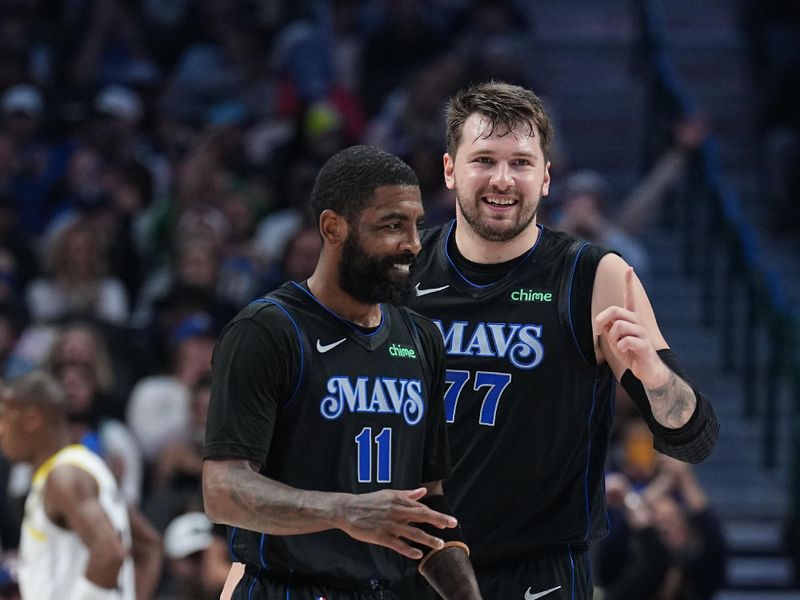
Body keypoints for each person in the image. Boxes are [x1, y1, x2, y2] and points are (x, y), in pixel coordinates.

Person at [400, 81, 720, 599]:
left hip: (537, 575)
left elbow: (696, 435)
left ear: (546, 177)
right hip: (410, 566)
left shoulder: (596, 277)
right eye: (484, 159)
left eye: (521, 163)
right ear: (449, 170)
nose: (503, 179)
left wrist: (656, 376)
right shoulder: (399, 273)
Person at [202, 145, 482, 599]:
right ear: (334, 227)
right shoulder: (269, 329)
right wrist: (344, 511)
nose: (412, 243)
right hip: (286, 588)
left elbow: (427, 503)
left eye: (417, 226)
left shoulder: (421, 338)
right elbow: (222, 490)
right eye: (392, 225)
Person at [0, 370, 162, 600]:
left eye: (2, 417)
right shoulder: (86, 466)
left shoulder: (64, 478)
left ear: (31, 420)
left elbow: (109, 552)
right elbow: (149, 545)